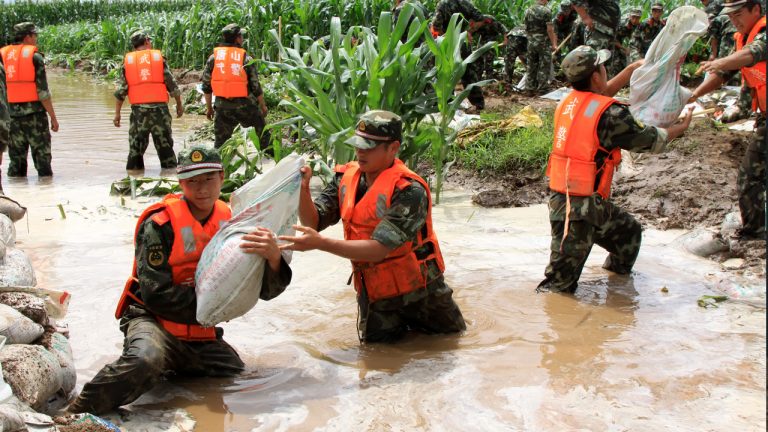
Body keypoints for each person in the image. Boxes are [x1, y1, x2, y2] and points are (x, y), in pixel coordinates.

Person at [67, 145, 292, 414]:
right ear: (181, 183)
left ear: (222, 177)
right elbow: (155, 294)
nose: (202, 189)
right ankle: (77, 411)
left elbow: (261, 292)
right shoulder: (159, 223)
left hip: (200, 328)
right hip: (152, 319)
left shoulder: (235, 222)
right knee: (145, 360)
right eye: (192, 181)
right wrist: (214, 308)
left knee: (236, 377)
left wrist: (273, 258)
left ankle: (172, 370)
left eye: (209, 179)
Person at [281, 110, 466, 343]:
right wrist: (304, 190)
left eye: (369, 146)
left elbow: (379, 249)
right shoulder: (345, 178)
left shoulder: (409, 191)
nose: (360, 151)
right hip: (376, 295)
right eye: (358, 145)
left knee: (451, 347)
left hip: (423, 295)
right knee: (377, 362)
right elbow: (313, 222)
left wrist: (320, 245)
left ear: (393, 147)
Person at [536, 46, 694, 294]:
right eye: (602, 67)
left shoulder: (567, 101)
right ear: (597, 75)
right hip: (575, 211)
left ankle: (616, 289)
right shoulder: (611, 115)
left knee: (628, 234)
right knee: (557, 287)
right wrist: (679, 129)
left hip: (583, 202)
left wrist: (630, 70)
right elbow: (649, 140)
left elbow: (600, 96)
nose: (605, 71)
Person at [689, 0, 766, 240]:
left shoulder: (762, 36)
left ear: (756, 9)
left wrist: (719, 61)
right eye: (730, 16)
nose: (734, 21)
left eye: (738, 14)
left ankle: (755, 234)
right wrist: (692, 95)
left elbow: (751, 55)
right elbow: (723, 74)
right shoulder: (743, 38)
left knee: (750, 176)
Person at [114, 30, 183, 171]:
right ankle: (171, 182)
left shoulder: (128, 63)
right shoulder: (158, 59)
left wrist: (117, 114)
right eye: (149, 40)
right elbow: (171, 84)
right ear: (146, 41)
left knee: (135, 152)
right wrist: (179, 104)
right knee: (166, 150)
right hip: (160, 113)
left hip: (139, 113)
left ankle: (132, 183)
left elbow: (121, 91)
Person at [0, 22, 58, 178]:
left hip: (11, 118)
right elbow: (43, 93)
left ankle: (15, 198)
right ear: (27, 37)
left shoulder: (2, 55)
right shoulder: (35, 57)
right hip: (35, 117)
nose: (36, 38)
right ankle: (46, 194)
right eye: (35, 35)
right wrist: (53, 118)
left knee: (15, 164)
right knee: (43, 162)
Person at [202, 24, 270, 150]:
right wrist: (263, 106)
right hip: (246, 107)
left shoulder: (214, 58)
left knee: (220, 145)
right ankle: (270, 157)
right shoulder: (245, 58)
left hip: (222, 108)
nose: (242, 39)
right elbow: (255, 86)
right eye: (241, 36)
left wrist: (209, 108)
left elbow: (206, 86)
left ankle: (221, 166)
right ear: (237, 39)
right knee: (263, 134)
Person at [431, 0, 488, 110]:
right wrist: (469, 31)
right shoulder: (466, 3)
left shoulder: (443, 4)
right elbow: (480, 18)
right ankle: (478, 102)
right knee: (469, 72)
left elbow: (436, 25)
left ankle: (447, 101)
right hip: (463, 41)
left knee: (446, 71)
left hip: (447, 42)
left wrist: (440, 36)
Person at [571, 0, 621, 72]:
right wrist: (584, 17)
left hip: (610, 32)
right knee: (592, 64)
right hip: (597, 28)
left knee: (606, 67)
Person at [523, 0, 558, 95]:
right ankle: (542, 89)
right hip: (543, 42)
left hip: (531, 41)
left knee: (531, 65)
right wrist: (554, 44)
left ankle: (529, 89)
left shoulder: (527, 10)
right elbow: (550, 29)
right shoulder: (546, 11)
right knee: (544, 65)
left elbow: (525, 27)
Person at [473, 15, 508, 80]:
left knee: (488, 63)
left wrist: (505, 40)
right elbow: (470, 32)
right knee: (478, 62)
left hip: (491, 41)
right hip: (482, 40)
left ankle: (488, 81)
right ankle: (477, 80)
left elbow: (504, 30)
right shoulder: (476, 22)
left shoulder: (493, 22)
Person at [610, 8, 641, 77]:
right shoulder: (621, 24)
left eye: (637, 18)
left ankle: (623, 83)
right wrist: (624, 48)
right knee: (616, 62)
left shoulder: (638, 26)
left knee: (624, 63)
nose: (635, 20)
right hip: (611, 40)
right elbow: (612, 39)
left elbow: (636, 39)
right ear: (630, 16)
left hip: (619, 40)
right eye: (633, 17)